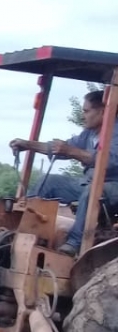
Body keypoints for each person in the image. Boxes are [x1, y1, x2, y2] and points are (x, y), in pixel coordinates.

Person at [11, 90, 118, 256]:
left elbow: (110, 162)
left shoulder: (115, 131)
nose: (83, 115)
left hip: (113, 188)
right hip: (90, 184)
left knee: (93, 191)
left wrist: (72, 151)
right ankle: (24, 230)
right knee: (50, 182)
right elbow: (62, 149)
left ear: (102, 111)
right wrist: (27, 145)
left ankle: (74, 243)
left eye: (86, 111)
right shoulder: (89, 134)